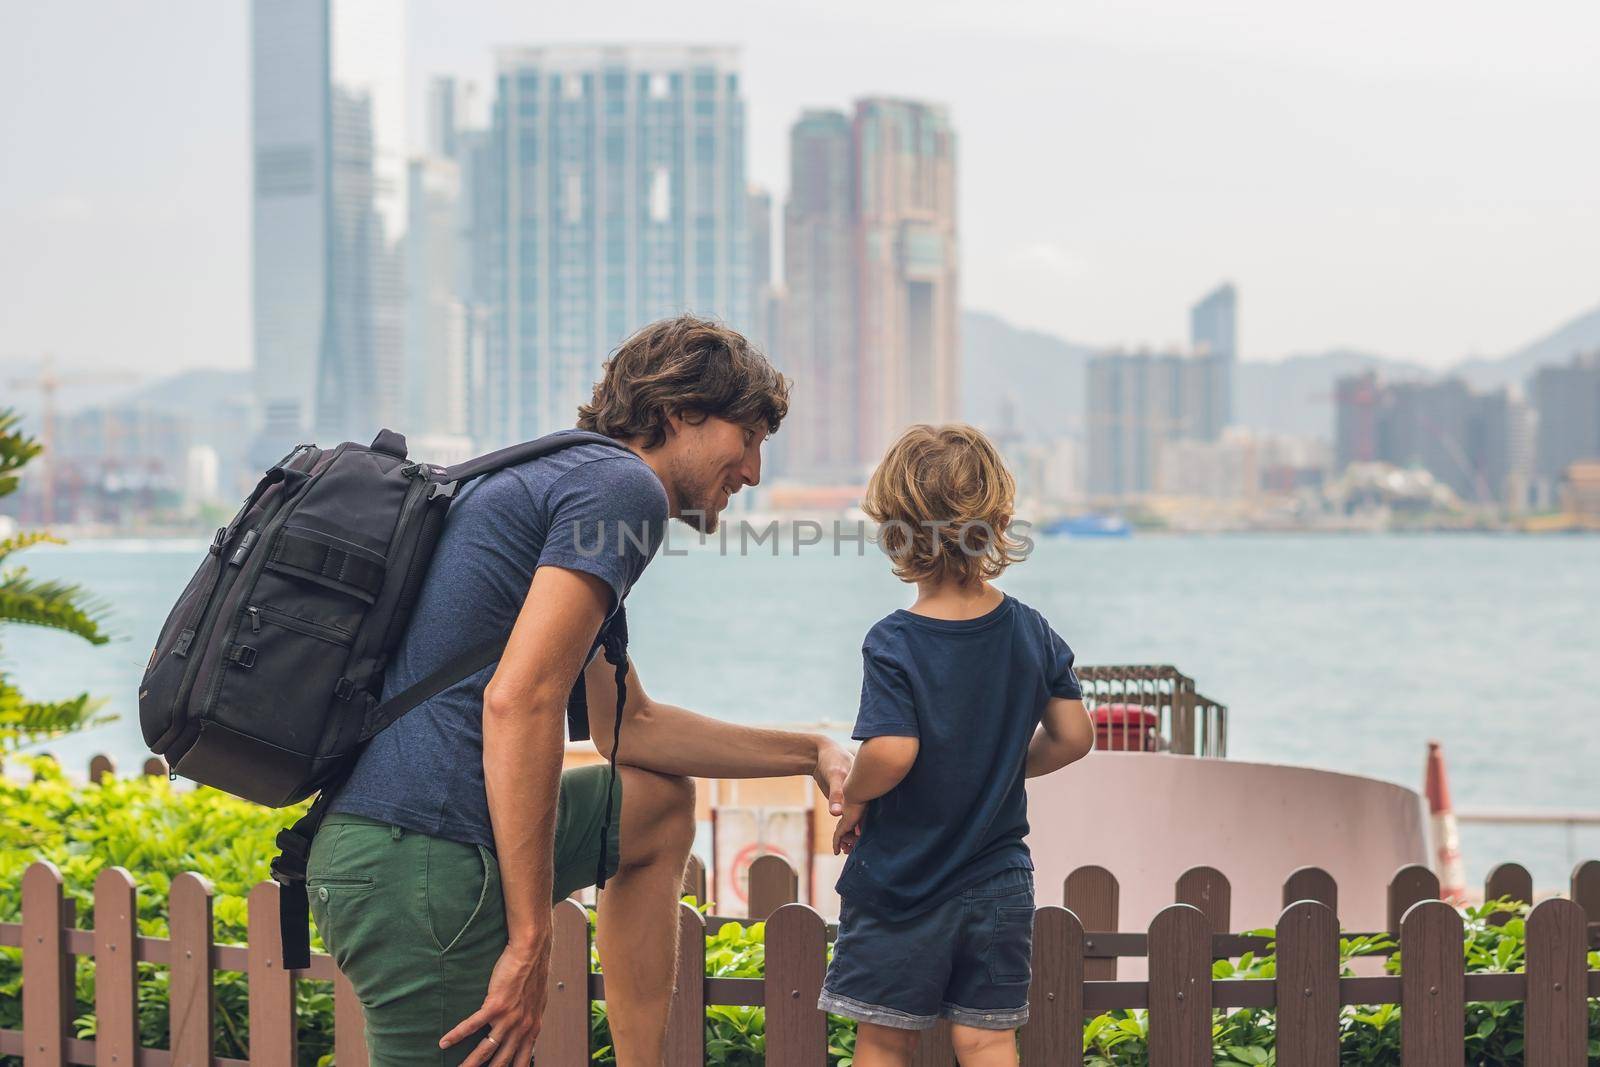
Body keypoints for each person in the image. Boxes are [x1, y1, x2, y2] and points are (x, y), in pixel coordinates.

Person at [306, 316, 853, 1066]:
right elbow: (519, 701)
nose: (755, 470)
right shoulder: (623, 490)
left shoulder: (567, 479)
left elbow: (631, 728)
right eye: (748, 437)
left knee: (657, 804)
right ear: (678, 414)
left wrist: (811, 751)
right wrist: (533, 937)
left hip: (410, 848)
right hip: (422, 861)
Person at [819, 424, 1095, 1067]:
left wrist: (852, 794)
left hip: (904, 879)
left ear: (893, 530)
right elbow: (1075, 737)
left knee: (886, 1038)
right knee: (986, 1037)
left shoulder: (894, 641)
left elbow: (890, 753)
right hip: (999, 882)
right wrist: (1005, 770)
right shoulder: (1032, 630)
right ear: (999, 522)